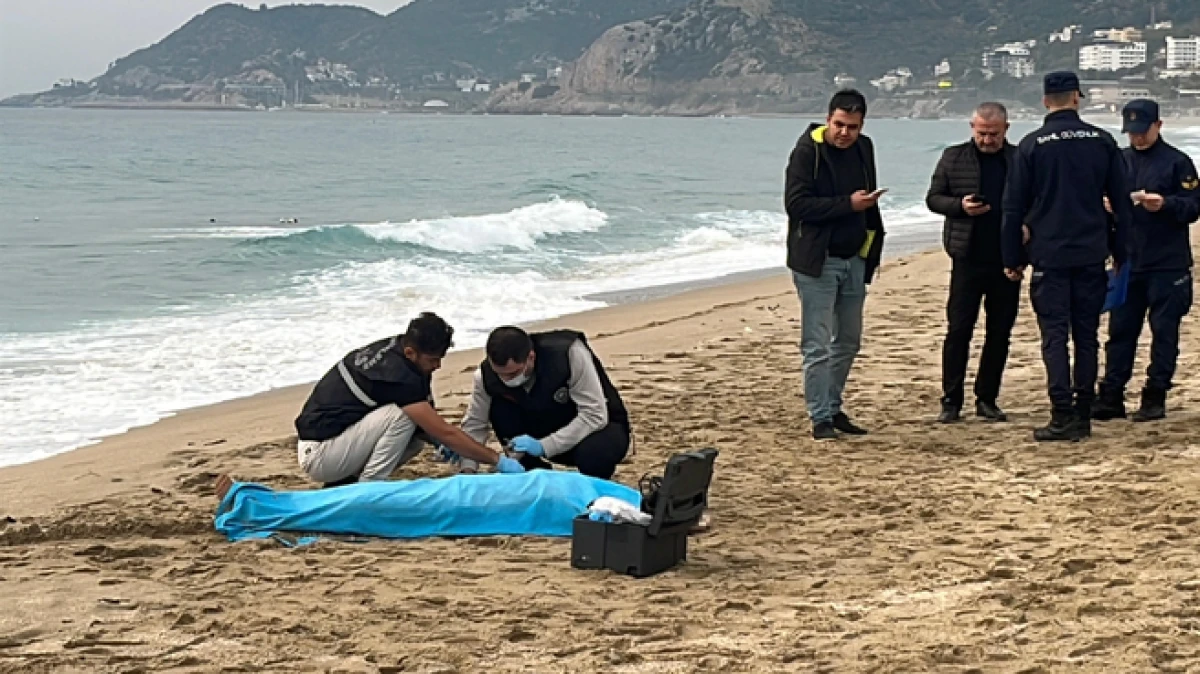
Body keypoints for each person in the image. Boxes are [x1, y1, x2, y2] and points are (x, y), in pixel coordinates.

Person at [1001, 71, 1132, 442]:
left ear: (1045, 101)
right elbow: (1121, 203)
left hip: (1050, 254)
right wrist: (1121, 251)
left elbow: (1012, 209)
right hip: (1092, 251)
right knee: (1087, 335)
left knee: (1055, 336)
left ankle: (1062, 413)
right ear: (1077, 98)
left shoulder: (1032, 145)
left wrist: (1012, 257)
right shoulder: (1102, 141)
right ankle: (1083, 412)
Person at [293, 312, 523, 486]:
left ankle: (345, 484)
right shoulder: (397, 375)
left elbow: (433, 431)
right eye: (433, 360)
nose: (438, 366)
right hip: (320, 453)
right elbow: (444, 431)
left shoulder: (402, 352)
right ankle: (370, 488)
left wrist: (439, 443)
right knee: (403, 415)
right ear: (411, 353)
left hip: (341, 441)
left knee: (414, 440)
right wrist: (498, 461)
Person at [784, 88, 887, 440]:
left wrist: (871, 249)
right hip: (817, 261)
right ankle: (820, 418)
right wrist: (848, 205)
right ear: (828, 119)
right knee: (817, 343)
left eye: (853, 127)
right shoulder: (806, 152)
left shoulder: (864, 148)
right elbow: (797, 206)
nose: (845, 133)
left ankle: (832, 404)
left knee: (849, 340)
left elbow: (869, 204)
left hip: (854, 257)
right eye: (840, 125)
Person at [1093, 99, 1198, 422]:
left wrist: (1164, 204)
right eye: (1132, 133)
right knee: (1120, 332)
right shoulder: (1119, 161)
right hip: (1128, 261)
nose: (1137, 138)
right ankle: (1111, 395)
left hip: (1168, 263)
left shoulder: (1177, 163)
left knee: (1164, 332)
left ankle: (1155, 395)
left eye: (1142, 131)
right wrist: (1106, 207)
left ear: (1158, 126)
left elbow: (1193, 206)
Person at [926, 102, 1021, 423]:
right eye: (981, 133)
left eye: (993, 134)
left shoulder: (1020, 159)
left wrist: (1027, 239)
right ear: (972, 128)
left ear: (1006, 130)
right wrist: (959, 206)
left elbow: (1036, 201)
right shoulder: (954, 157)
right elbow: (933, 198)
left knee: (999, 333)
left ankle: (987, 398)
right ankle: (951, 400)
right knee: (958, 331)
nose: (987, 140)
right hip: (966, 257)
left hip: (1007, 259)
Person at [454, 327, 631, 480]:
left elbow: (594, 414)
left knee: (595, 454)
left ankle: (596, 484)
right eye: (500, 373)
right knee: (499, 404)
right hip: (533, 432)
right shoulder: (484, 376)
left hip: (593, 430)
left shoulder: (570, 353)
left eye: (513, 373)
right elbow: (475, 424)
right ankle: (530, 471)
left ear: (531, 357)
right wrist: (468, 468)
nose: (505, 379)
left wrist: (544, 446)